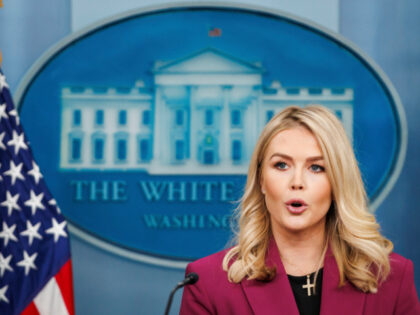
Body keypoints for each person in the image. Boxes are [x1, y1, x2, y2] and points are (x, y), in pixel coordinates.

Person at [180, 105, 420, 315]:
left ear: (337, 182)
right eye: (281, 165)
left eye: (316, 168)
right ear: (261, 180)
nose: (297, 182)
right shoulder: (208, 284)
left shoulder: (391, 278)